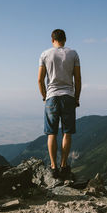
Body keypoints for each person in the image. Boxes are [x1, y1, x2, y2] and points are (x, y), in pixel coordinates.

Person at [38, 29, 81, 179]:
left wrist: (45, 96)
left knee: (51, 133)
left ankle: (53, 166)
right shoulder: (73, 54)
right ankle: (63, 165)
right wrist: (76, 98)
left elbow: (40, 80)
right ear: (65, 39)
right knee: (67, 133)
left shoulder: (45, 54)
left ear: (52, 40)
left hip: (52, 97)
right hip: (68, 96)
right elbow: (78, 79)